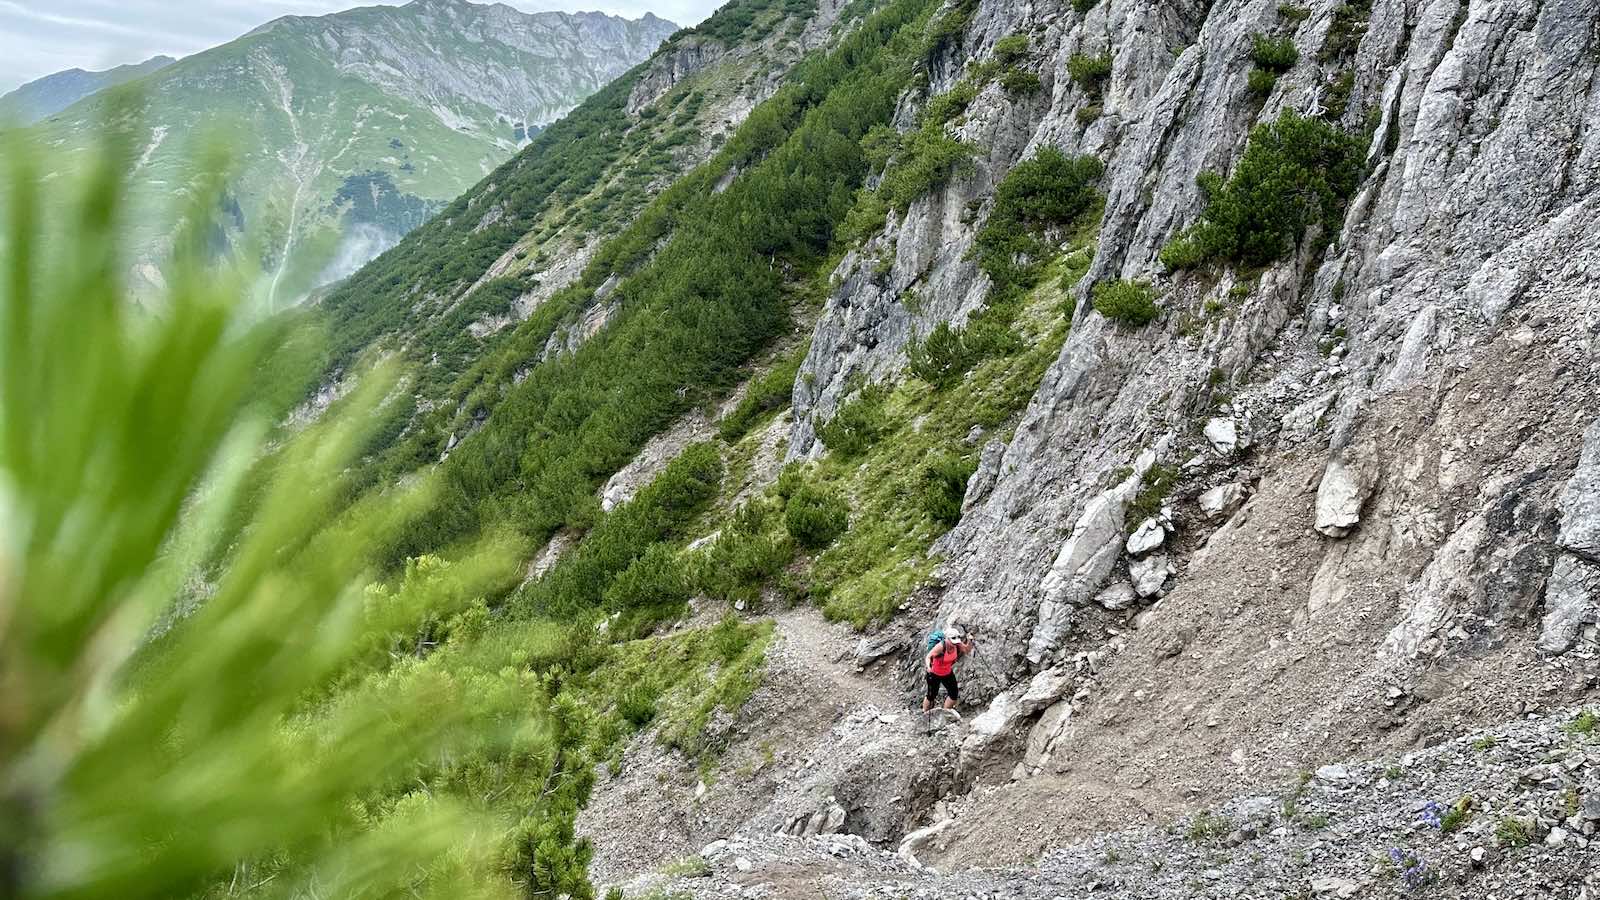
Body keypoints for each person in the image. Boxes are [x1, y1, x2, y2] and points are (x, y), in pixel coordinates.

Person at [923, 628, 973, 714]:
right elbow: (928, 656)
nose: (955, 642)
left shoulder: (957, 643)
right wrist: (928, 667)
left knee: (953, 694)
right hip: (934, 673)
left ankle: (945, 714)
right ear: (947, 639)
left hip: (947, 673)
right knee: (931, 695)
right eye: (953, 639)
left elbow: (966, 650)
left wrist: (970, 641)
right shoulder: (940, 646)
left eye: (957, 639)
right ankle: (925, 714)